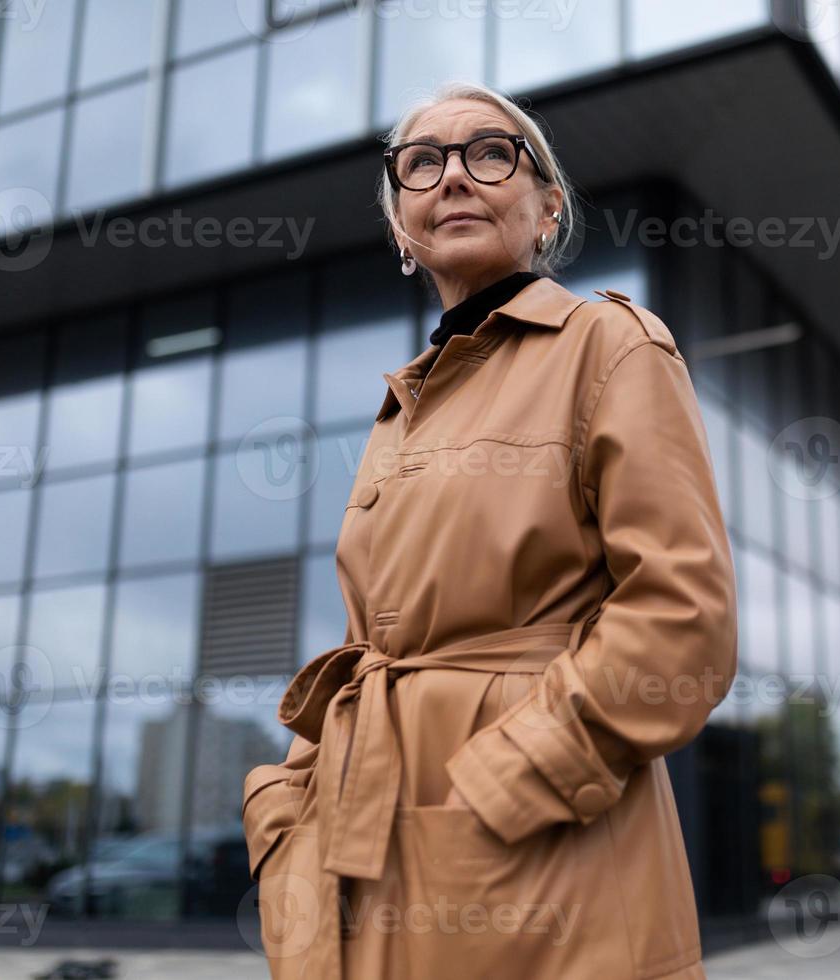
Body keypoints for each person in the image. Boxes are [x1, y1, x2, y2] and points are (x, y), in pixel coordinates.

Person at [240, 81, 739, 980]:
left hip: (548, 859)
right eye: (422, 163)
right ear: (401, 227)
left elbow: (681, 616)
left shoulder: (609, 346)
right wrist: (285, 811)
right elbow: (363, 650)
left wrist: (506, 782)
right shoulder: (399, 412)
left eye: (491, 153)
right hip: (367, 846)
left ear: (548, 206)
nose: (455, 177)